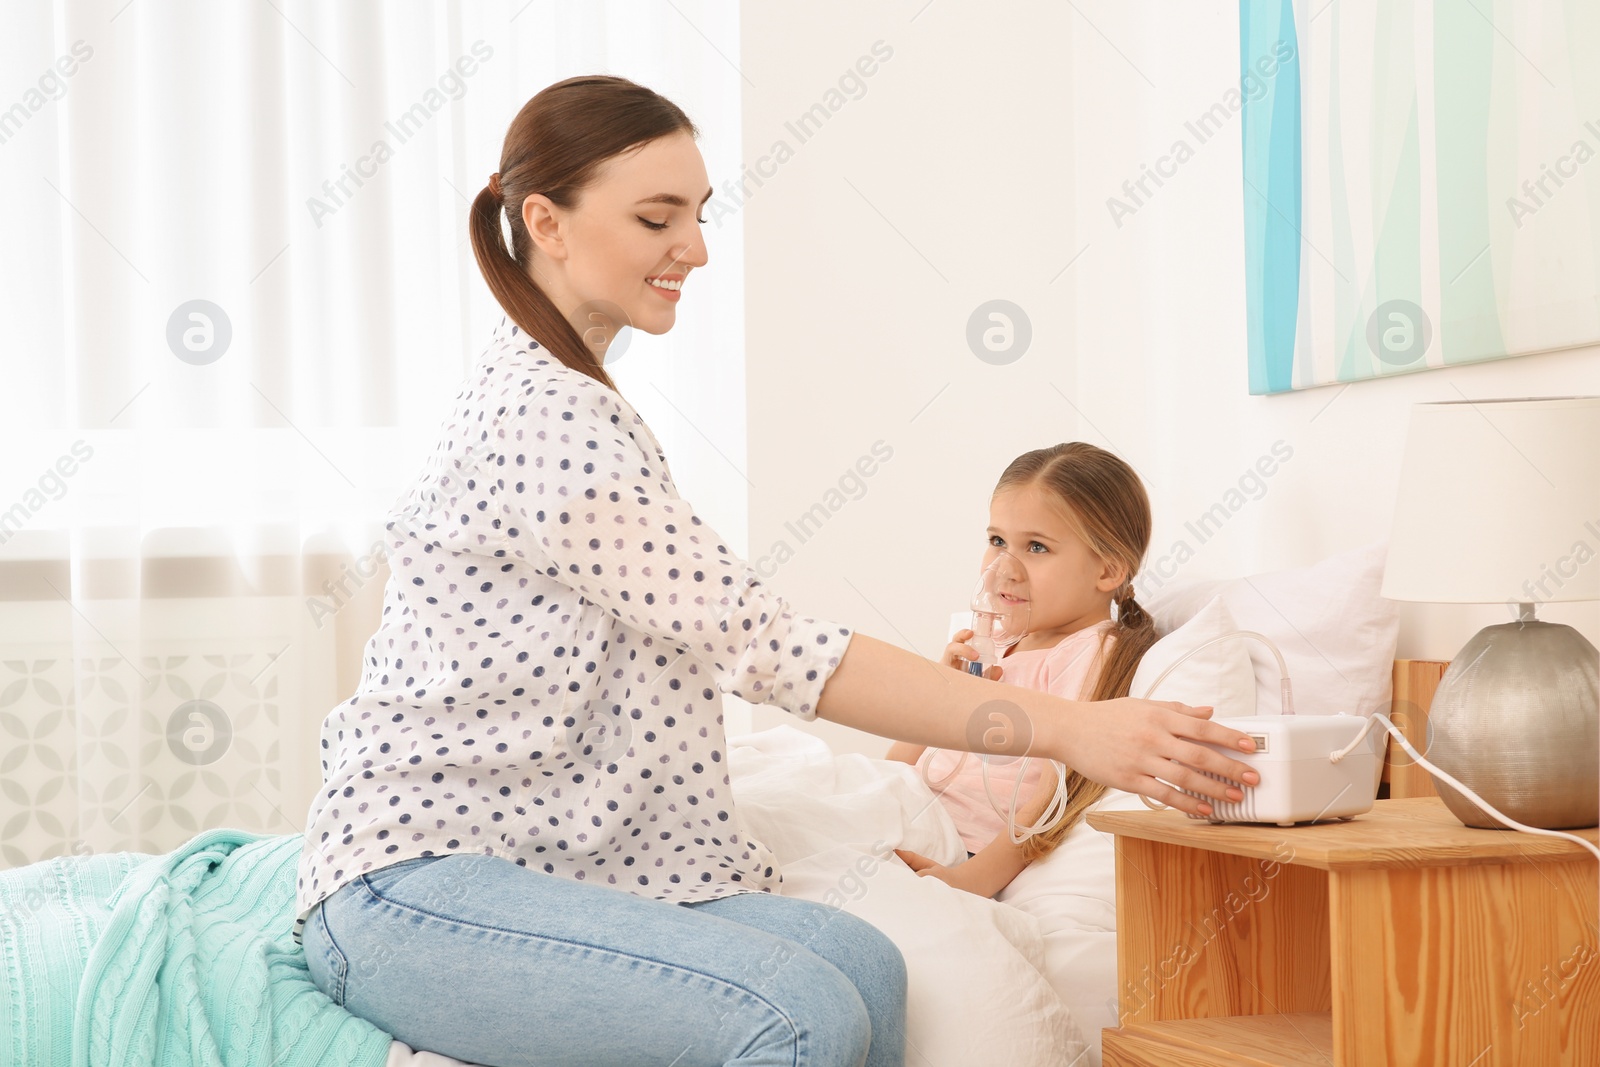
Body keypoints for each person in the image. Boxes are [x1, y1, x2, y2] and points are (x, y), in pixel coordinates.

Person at [294, 75, 1260, 1067]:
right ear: (546, 220)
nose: (697, 247)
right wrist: (1067, 724)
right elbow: (771, 646)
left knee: (865, 960)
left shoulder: (581, 400)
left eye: (699, 215)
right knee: (799, 1009)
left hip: (537, 854)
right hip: (416, 882)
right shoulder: (550, 423)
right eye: (656, 217)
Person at [889, 443, 1160, 898]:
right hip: (908, 813)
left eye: (1035, 547)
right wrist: (942, 689)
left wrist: (970, 881)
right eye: (997, 541)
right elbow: (891, 773)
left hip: (960, 845)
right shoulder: (998, 645)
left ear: (1108, 570)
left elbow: (1053, 797)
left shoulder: (1088, 654)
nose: (1003, 568)